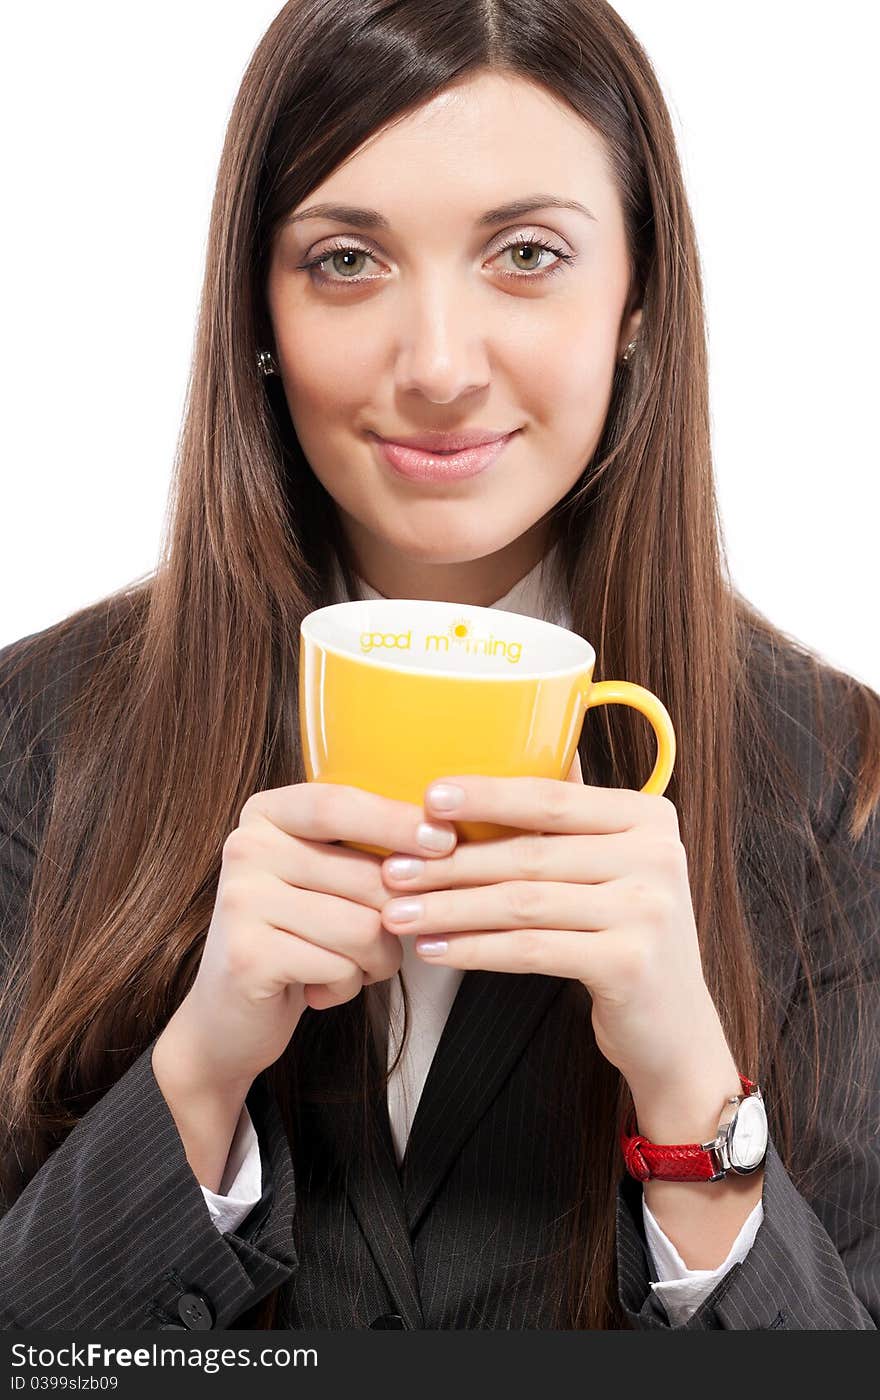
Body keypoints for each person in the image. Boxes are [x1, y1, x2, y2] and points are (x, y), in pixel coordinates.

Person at [1, 0, 877, 1333]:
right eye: (346, 260)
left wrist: (696, 1090)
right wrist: (200, 1068)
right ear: (258, 306)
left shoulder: (846, 784)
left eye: (527, 254)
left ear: (637, 296)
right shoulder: (35, 740)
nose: (440, 367)